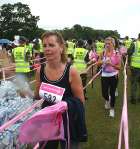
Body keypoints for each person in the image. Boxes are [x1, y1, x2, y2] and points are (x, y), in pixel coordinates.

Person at [34, 32, 85, 149]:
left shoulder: (71, 71)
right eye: (45, 45)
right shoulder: (40, 71)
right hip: (48, 121)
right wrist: (26, 92)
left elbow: (80, 102)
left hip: (68, 121)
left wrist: (65, 105)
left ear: (61, 48)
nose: (47, 49)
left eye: (51, 45)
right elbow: (37, 96)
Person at [97, 37, 121, 117]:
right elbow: (98, 63)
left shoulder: (117, 53)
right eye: (106, 43)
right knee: (104, 93)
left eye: (109, 43)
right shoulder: (102, 52)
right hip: (104, 75)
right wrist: (103, 61)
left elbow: (119, 67)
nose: (107, 45)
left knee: (112, 93)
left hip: (113, 75)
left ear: (113, 44)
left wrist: (111, 64)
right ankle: (107, 100)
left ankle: (112, 109)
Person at [128, 33, 140, 104]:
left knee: (134, 83)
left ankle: (133, 99)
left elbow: (129, 52)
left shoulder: (135, 44)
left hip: (135, 66)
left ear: (138, 36)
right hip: (136, 67)